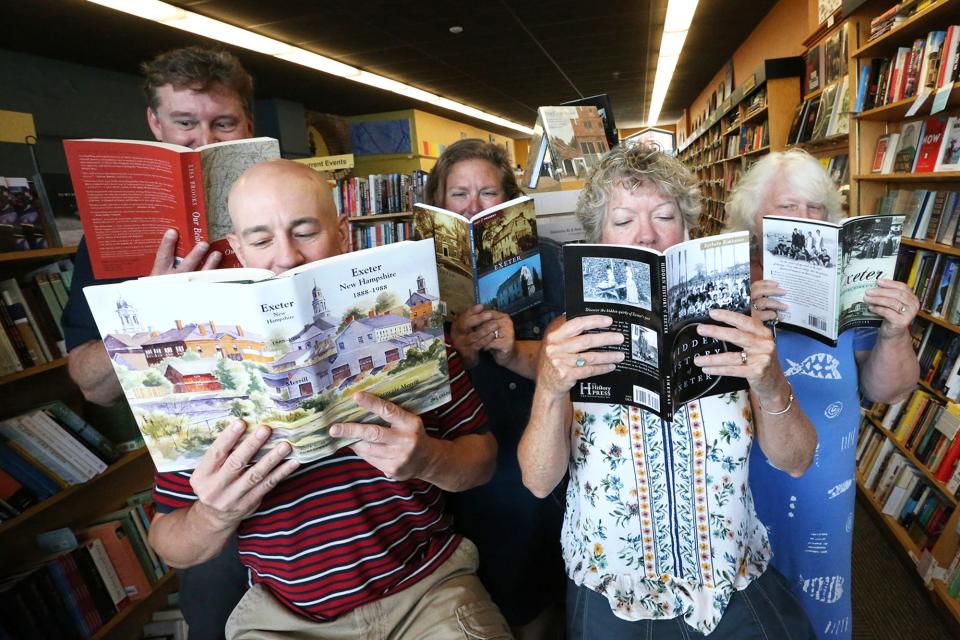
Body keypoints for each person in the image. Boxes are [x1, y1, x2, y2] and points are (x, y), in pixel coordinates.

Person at [148, 159, 510, 639]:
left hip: (428, 590)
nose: (287, 257)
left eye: (305, 231)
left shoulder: (414, 331)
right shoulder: (204, 378)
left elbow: (482, 459)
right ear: (235, 250)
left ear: (342, 233)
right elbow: (170, 543)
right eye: (261, 240)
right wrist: (214, 515)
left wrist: (427, 458)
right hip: (283, 619)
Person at [518, 143, 818, 639]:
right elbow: (537, 480)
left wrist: (768, 379)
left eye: (664, 216)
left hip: (731, 580)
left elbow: (797, 459)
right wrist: (550, 389)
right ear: (597, 237)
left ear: (688, 230)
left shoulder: (734, 325)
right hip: (613, 591)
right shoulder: (566, 337)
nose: (647, 236)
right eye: (623, 221)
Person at [60, 45, 257, 640]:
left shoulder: (284, 211)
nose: (202, 141)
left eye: (222, 123)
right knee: (219, 619)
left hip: (316, 474)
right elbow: (91, 385)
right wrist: (150, 308)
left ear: (249, 123)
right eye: (184, 123)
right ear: (153, 125)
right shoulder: (109, 243)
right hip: (202, 486)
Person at [725, 148, 919, 640]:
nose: (805, 219)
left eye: (816, 209)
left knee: (819, 600)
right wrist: (742, 320)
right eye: (789, 208)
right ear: (756, 218)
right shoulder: (723, 279)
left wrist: (896, 333)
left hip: (823, 481)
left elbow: (887, 391)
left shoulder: (848, 282)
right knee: (745, 603)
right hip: (742, 475)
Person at [427, 138, 566, 639]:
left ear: (508, 202)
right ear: (438, 204)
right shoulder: (417, 274)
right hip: (461, 437)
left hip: (534, 427)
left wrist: (513, 350)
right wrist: (459, 354)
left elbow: (572, 362)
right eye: (458, 194)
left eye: (488, 193)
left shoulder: (549, 259)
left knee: (537, 561)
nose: (473, 206)